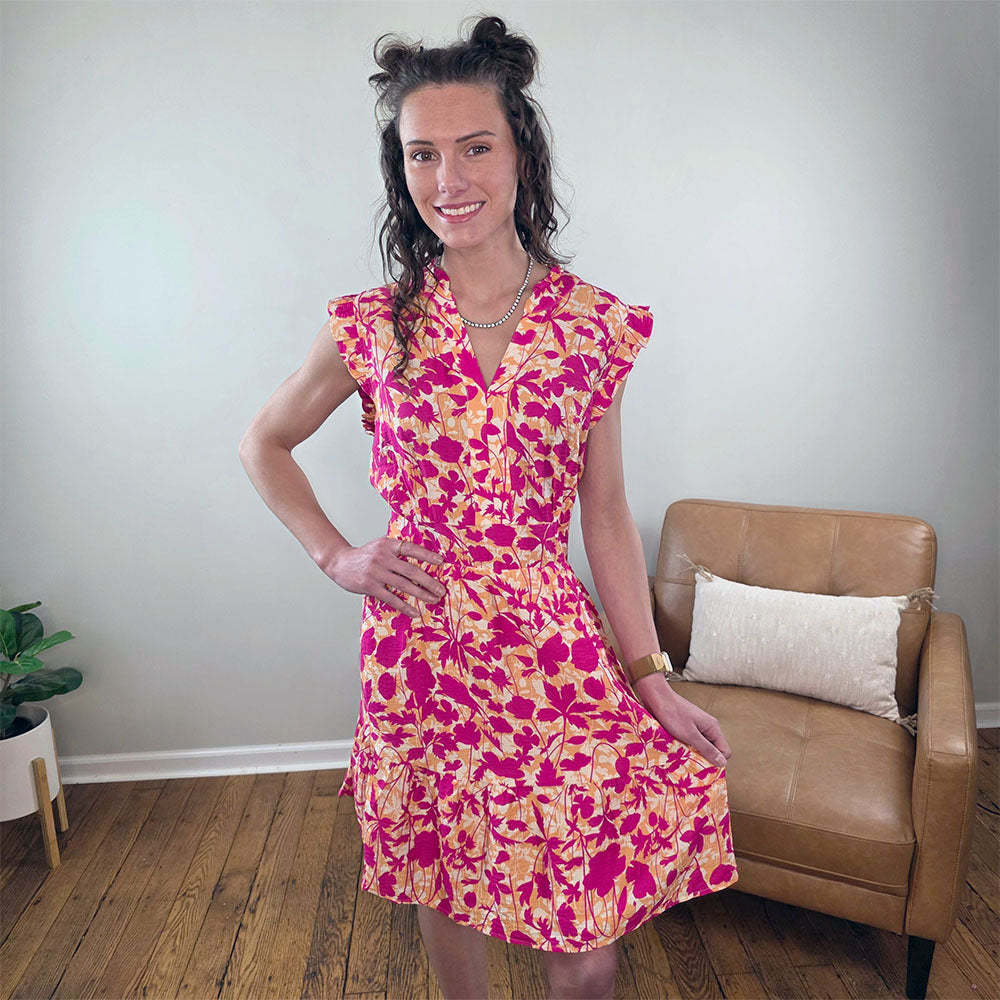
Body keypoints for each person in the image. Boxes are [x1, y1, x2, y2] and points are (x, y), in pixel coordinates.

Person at [239, 14, 737, 1000]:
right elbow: (263, 443)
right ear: (402, 167)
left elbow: (603, 515)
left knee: (586, 946)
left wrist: (650, 676)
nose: (448, 177)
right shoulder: (373, 327)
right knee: (444, 869)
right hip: (421, 647)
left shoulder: (594, 327)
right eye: (422, 153)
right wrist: (339, 557)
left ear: (520, 151)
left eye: (475, 146)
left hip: (546, 643)